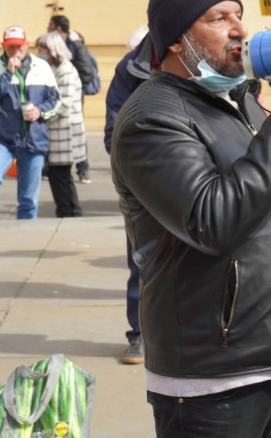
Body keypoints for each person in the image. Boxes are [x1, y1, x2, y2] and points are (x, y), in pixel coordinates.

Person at [110, 0, 271, 436]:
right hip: (211, 380)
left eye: (239, 15)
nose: (239, 29)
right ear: (177, 40)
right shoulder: (151, 118)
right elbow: (213, 220)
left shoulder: (241, 102)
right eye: (219, 18)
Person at [104, 30, 153, 365]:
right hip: (144, 185)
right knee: (142, 262)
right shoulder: (130, 69)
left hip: (201, 180)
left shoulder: (214, 57)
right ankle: (138, 336)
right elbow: (114, 135)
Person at [0, 26, 61, 221]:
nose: (15, 52)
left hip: (33, 140)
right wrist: (7, 75)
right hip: (2, 139)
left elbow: (56, 101)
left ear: (27, 45)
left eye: (19, 47)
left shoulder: (41, 67)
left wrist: (40, 111)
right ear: (3, 47)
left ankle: (27, 234)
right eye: (10, 47)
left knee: (28, 200)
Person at [35, 31, 86, 218]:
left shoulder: (65, 70)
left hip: (65, 133)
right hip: (58, 133)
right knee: (61, 177)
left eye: (43, 49)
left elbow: (63, 104)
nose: (40, 53)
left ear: (53, 50)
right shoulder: (53, 68)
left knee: (60, 176)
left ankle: (67, 212)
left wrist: (41, 114)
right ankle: (70, 212)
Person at [49, 15, 97, 184]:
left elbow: (87, 71)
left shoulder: (74, 42)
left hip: (72, 91)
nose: (48, 27)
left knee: (76, 127)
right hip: (63, 89)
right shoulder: (57, 42)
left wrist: (73, 83)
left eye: (50, 25)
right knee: (63, 128)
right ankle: (59, 166)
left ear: (59, 28)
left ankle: (82, 169)